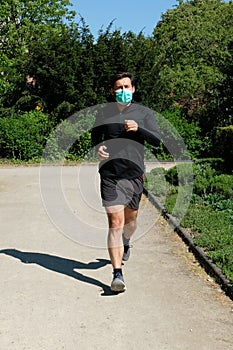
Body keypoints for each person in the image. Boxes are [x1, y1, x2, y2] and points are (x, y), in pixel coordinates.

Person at [91, 72, 161, 292]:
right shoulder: (104, 112)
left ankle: (127, 242)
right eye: (118, 88)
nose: (122, 91)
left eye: (126, 87)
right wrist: (98, 150)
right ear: (113, 91)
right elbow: (95, 139)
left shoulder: (143, 113)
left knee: (130, 221)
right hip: (110, 174)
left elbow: (158, 141)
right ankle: (117, 274)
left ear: (133, 89)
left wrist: (139, 129)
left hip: (134, 174)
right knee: (115, 223)